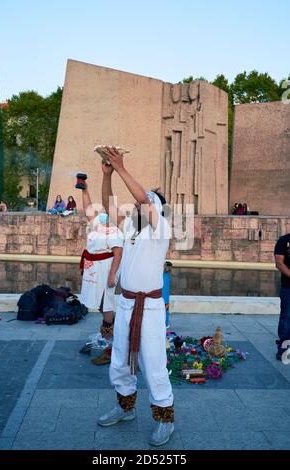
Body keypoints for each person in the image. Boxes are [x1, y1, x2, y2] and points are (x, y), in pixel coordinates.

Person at [97, 146, 174, 447]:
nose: (139, 205)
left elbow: (143, 198)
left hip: (151, 307)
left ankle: (165, 419)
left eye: (147, 203)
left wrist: (120, 166)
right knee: (120, 361)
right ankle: (125, 408)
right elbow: (107, 205)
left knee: (153, 363)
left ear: (155, 208)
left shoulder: (161, 228)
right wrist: (107, 175)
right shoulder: (131, 226)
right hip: (127, 303)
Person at [80, 179, 123, 365]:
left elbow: (118, 252)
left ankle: (110, 342)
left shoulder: (115, 230)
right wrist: (85, 189)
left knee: (107, 304)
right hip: (93, 270)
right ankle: (108, 333)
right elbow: (88, 208)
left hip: (106, 269)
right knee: (98, 304)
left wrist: (113, 275)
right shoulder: (99, 222)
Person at [274, 235, 290, 360]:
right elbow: (279, 263)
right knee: (287, 318)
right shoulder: (284, 241)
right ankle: (284, 349)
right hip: (288, 288)